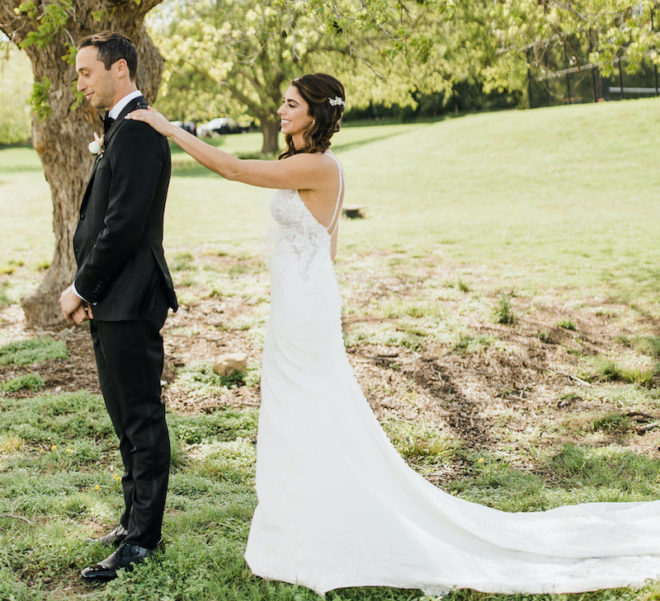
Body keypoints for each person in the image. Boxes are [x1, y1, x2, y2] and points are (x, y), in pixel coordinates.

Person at [127, 73, 660, 596]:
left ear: (315, 113)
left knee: (308, 411)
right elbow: (326, 243)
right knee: (300, 413)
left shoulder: (317, 165)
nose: (282, 112)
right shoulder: (303, 164)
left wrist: (168, 128)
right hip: (300, 305)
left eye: (291, 104)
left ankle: (313, 536)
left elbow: (235, 169)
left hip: (304, 313)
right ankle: (302, 527)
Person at [58, 31, 178, 583]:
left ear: (120, 69)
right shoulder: (120, 130)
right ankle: (133, 518)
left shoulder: (137, 132)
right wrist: (92, 293)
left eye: (87, 72)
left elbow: (122, 227)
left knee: (141, 418)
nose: (79, 82)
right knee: (122, 417)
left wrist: (81, 288)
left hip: (130, 299)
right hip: (113, 300)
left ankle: (144, 539)